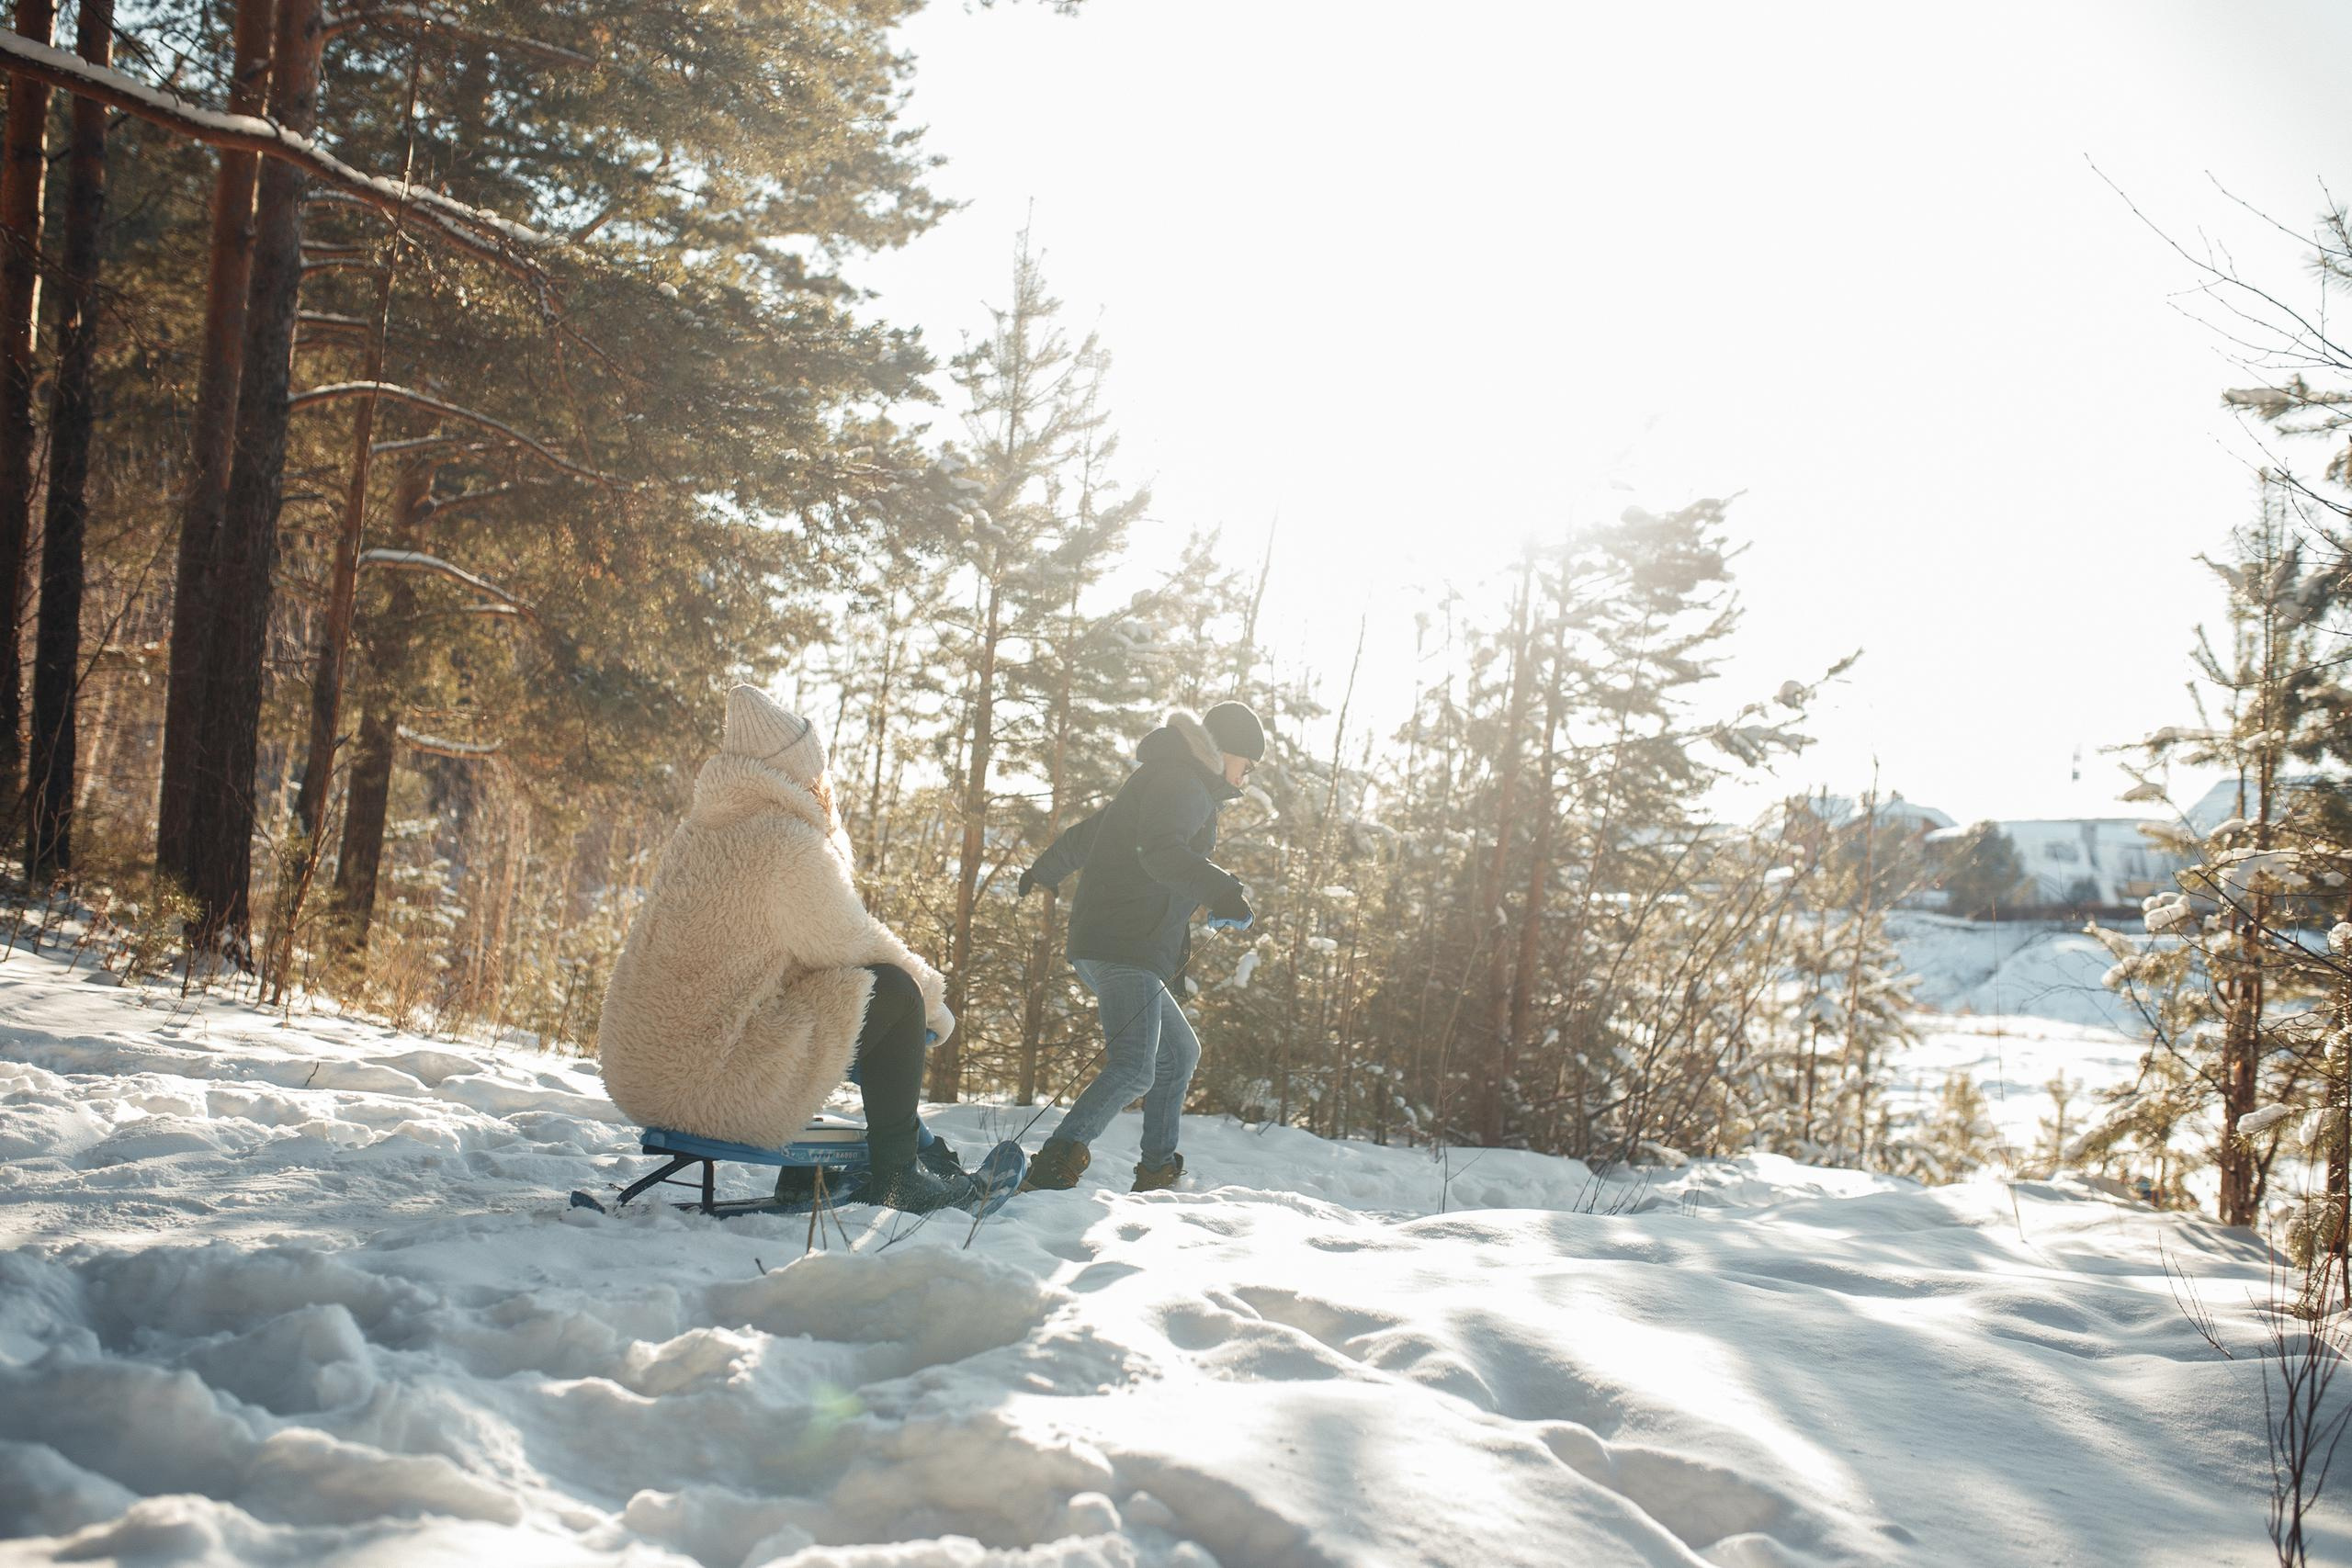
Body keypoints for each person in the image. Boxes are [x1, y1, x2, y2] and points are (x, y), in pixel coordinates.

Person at [596, 684, 977, 1212]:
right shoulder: (787, 845)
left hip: (640, 1077)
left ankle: (825, 1166)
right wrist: (931, 1002)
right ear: (799, 772)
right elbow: (854, 942)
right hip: (708, 1086)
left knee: (824, 992)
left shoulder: (698, 835)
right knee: (895, 989)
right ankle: (900, 1174)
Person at [1015, 702, 1265, 1192]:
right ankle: (1053, 1166)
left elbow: (1090, 835)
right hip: (1122, 942)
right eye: (1248, 766)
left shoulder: (1168, 778)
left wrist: (1043, 871)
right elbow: (1161, 852)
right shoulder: (1183, 783)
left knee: (1179, 1052)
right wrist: (1220, 890)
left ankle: (1157, 1169)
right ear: (1228, 751)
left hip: (1117, 941)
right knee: (1134, 1066)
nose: (1247, 779)